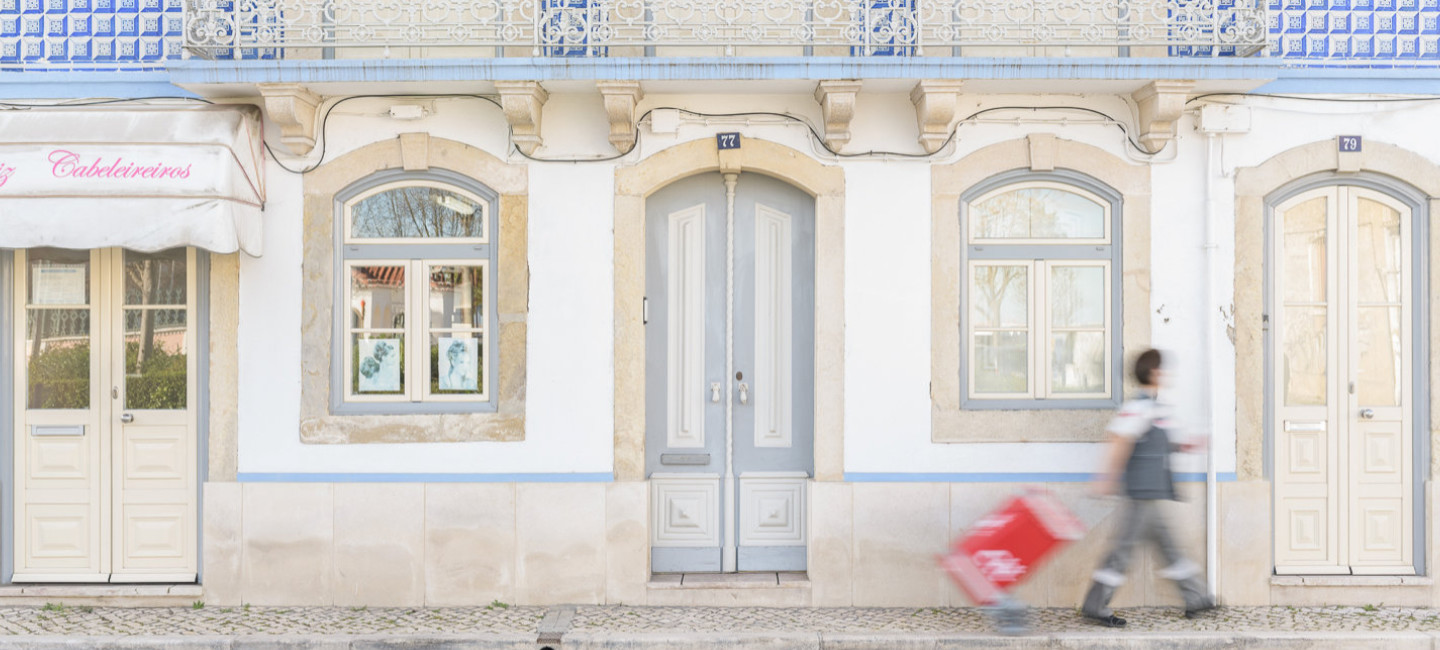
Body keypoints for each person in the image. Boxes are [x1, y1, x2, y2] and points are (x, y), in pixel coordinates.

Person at [1081, 349, 1215, 627]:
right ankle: (1095, 605)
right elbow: (1119, 440)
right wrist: (1107, 478)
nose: (1166, 374)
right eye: (1163, 369)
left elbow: (1165, 441)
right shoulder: (1138, 406)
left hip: (1154, 493)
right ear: (1154, 373)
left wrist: (1188, 445)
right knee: (1123, 552)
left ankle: (1196, 597)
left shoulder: (1157, 407)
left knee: (1170, 548)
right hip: (1140, 494)